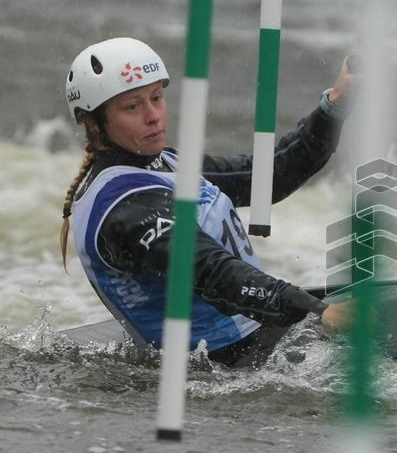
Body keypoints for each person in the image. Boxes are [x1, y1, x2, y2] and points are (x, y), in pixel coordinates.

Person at [59, 36, 352, 368]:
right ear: (96, 124)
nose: (154, 116)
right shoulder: (122, 209)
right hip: (220, 366)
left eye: (157, 98)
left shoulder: (165, 163)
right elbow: (215, 273)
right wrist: (317, 310)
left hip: (259, 338)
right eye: (132, 107)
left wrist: (336, 104)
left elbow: (270, 177)